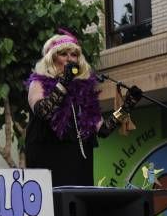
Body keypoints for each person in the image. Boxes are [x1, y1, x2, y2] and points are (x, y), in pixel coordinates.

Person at [25, 31, 142, 186]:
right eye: (63, 54)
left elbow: (104, 130)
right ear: (51, 59)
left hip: (79, 166)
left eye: (73, 54)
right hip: (49, 164)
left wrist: (126, 107)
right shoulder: (38, 83)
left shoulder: (83, 92)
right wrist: (64, 82)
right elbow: (43, 112)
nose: (69, 59)